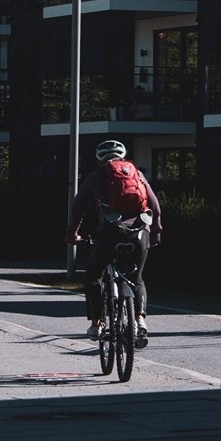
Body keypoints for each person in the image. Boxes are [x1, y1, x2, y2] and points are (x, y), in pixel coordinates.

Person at [66, 138, 161, 346]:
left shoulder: (96, 177)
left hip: (110, 233)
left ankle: (97, 322)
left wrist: (73, 233)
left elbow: (78, 207)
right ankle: (140, 319)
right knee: (137, 278)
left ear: (100, 158)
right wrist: (154, 234)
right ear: (123, 155)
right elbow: (155, 206)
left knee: (94, 275)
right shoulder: (137, 174)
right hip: (139, 233)